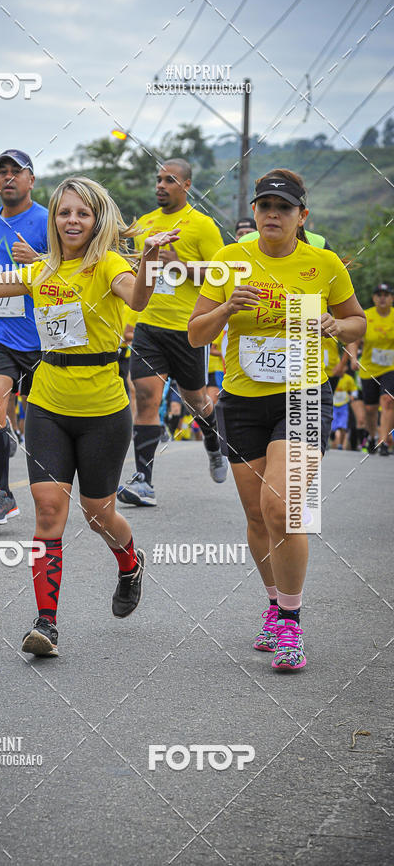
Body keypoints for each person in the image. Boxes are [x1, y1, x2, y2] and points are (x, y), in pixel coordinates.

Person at [0, 177, 178, 657]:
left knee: (98, 513)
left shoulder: (107, 264)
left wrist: (146, 260)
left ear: (96, 220)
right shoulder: (41, 270)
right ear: (54, 218)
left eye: (82, 213)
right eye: (64, 212)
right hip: (47, 405)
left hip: (104, 410)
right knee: (48, 511)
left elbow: (140, 299)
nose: (72, 221)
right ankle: (46, 623)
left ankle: (130, 563)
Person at [189, 168, 366, 672]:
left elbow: (358, 320)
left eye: (283, 207)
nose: (272, 213)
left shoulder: (324, 263)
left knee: (284, 506)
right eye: (264, 205)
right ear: (254, 214)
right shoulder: (228, 260)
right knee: (256, 515)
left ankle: (291, 621)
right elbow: (197, 335)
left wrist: (337, 323)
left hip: (305, 395)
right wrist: (225, 308)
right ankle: (273, 606)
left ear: (301, 216)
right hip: (242, 402)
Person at [117, 158, 228, 508]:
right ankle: (143, 481)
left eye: (170, 180)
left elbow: (221, 275)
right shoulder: (145, 224)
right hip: (149, 327)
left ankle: (213, 442)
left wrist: (180, 266)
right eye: (158, 179)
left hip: (188, 330)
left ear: (187, 185)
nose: (161, 185)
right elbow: (135, 272)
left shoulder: (202, 226)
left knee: (196, 401)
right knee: (147, 397)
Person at [0, 150, 47, 523]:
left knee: (40, 421)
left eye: (15, 172)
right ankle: (2, 493)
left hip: (41, 338)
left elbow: (69, 274)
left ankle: (50, 488)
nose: (8, 178)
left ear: (31, 180)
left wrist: (38, 260)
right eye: (1, 171)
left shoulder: (48, 221)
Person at [350, 283, 394, 456]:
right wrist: (353, 357)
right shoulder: (366, 316)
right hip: (368, 368)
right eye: (378, 294)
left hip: (390, 367)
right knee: (370, 408)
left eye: (386, 294)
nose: (382, 298)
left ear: (391, 298)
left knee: (388, 401)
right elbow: (353, 339)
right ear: (374, 298)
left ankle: (383, 442)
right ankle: (371, 435)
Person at [330, 369, 357, 449]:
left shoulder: (348, 378)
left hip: (343, 405)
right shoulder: (332, 377)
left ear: (345, 368)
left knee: (343, 426)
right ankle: (332, 433)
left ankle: (340, 445)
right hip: (333, 405)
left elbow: (354, 390)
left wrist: (353, 396)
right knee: (332, 424)